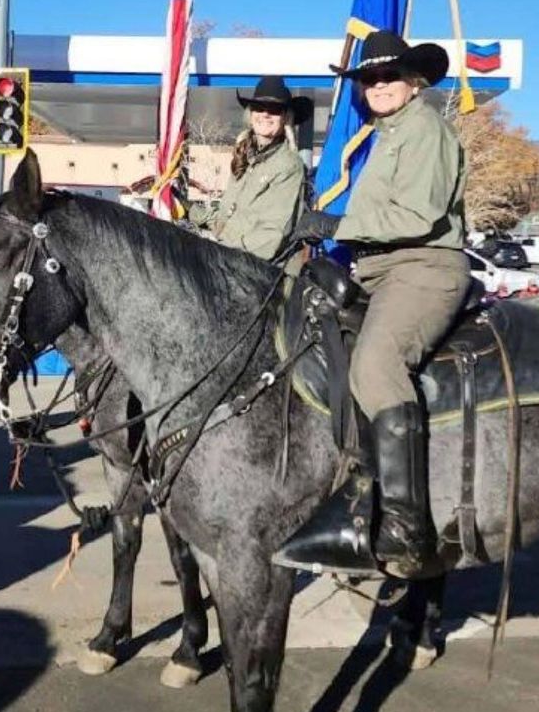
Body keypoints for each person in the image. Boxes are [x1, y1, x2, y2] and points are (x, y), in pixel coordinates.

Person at [277, 30, 470, 576]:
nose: (378, 85)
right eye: (369, 78)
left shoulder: (425, 129)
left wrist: (339, 223)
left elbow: (416, 217)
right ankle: (354, 487)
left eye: (389, 76)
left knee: (376, 365)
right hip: (380, 270)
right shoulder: (388, 135)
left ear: (414, 82)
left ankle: (406, 529)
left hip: (424, 268)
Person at [188, 76, 306, 263]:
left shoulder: (289, 165)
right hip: (230, 261)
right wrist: (193, 212)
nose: (265, 114)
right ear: (250, 115)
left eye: (274, 110)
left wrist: (218, 251)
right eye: (259, 107)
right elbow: (229, 221)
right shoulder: (244, 156)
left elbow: (270, 237)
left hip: (262, 272)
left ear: (286, 117)